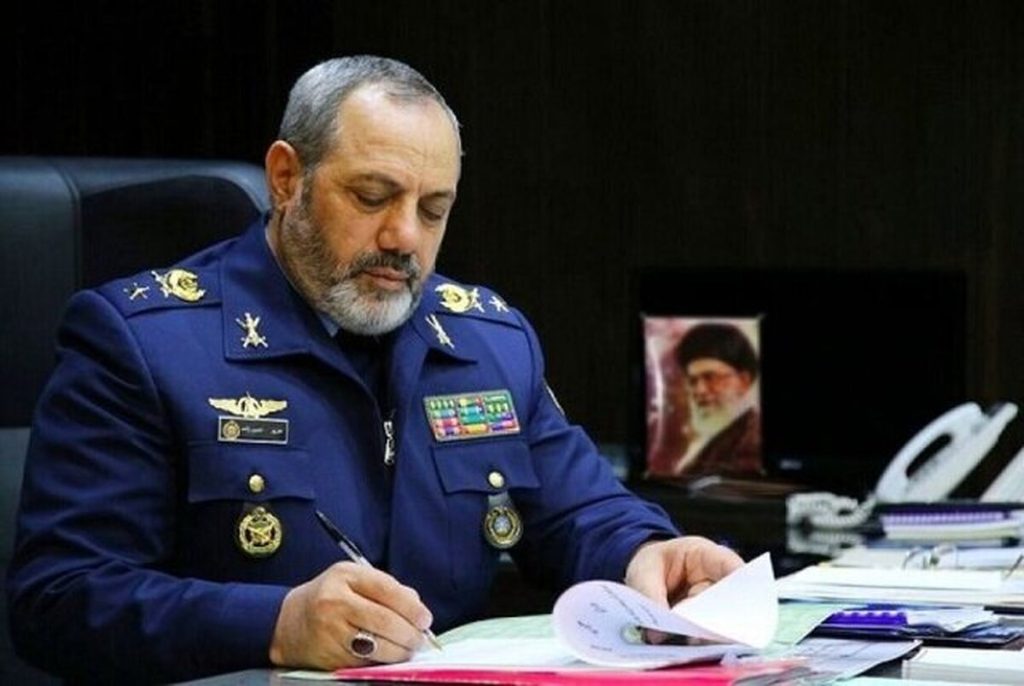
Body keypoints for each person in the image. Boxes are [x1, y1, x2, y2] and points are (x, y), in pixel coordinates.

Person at [7, 55, 743, 683]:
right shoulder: (145, 342)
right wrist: (276, 623)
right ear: (286, 178)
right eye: (372, 197)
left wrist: (649, 552)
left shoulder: (487, 341)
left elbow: (581, 511)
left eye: (434, 209)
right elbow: (58, 598)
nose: (404, 237)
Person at [669, 322, 763, 478]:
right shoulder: (719, 438)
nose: (700, 390)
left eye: (710, 377)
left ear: (743, 381)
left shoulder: (750, 443)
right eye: (693, 381)